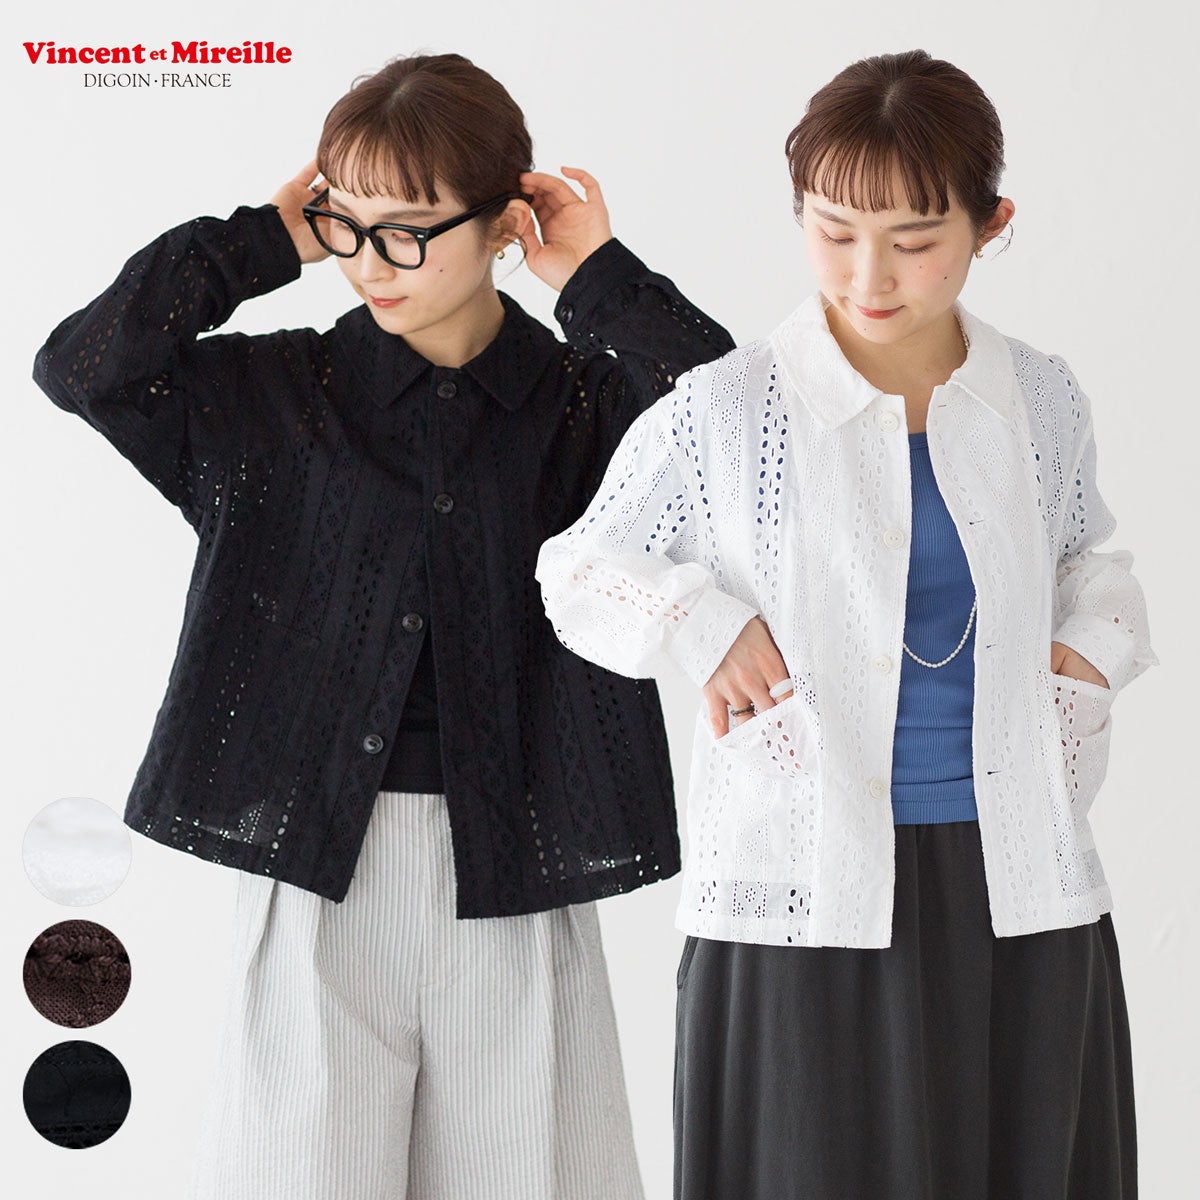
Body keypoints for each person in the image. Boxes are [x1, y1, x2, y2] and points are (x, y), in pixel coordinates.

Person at [32, 52, 733, 1200]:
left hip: (518, 867)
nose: (369, 263)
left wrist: (599, 279)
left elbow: (744, 438)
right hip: (315, 871)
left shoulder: (587, 410)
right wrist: (260, 243)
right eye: (347, 225)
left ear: (503, 223)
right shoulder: (268, 401)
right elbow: (82, 368)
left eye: (407, 231)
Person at [536, 49, 1156, 1199]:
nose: (869, 274)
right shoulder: (726, 409)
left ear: (990, 224)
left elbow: (1088, 557)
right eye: (833, 232)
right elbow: (576, 571)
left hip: (1019, 881)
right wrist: (699, 622)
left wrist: (1091, 651)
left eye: (915, 239)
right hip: (801, 892)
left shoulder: (1041, 395)